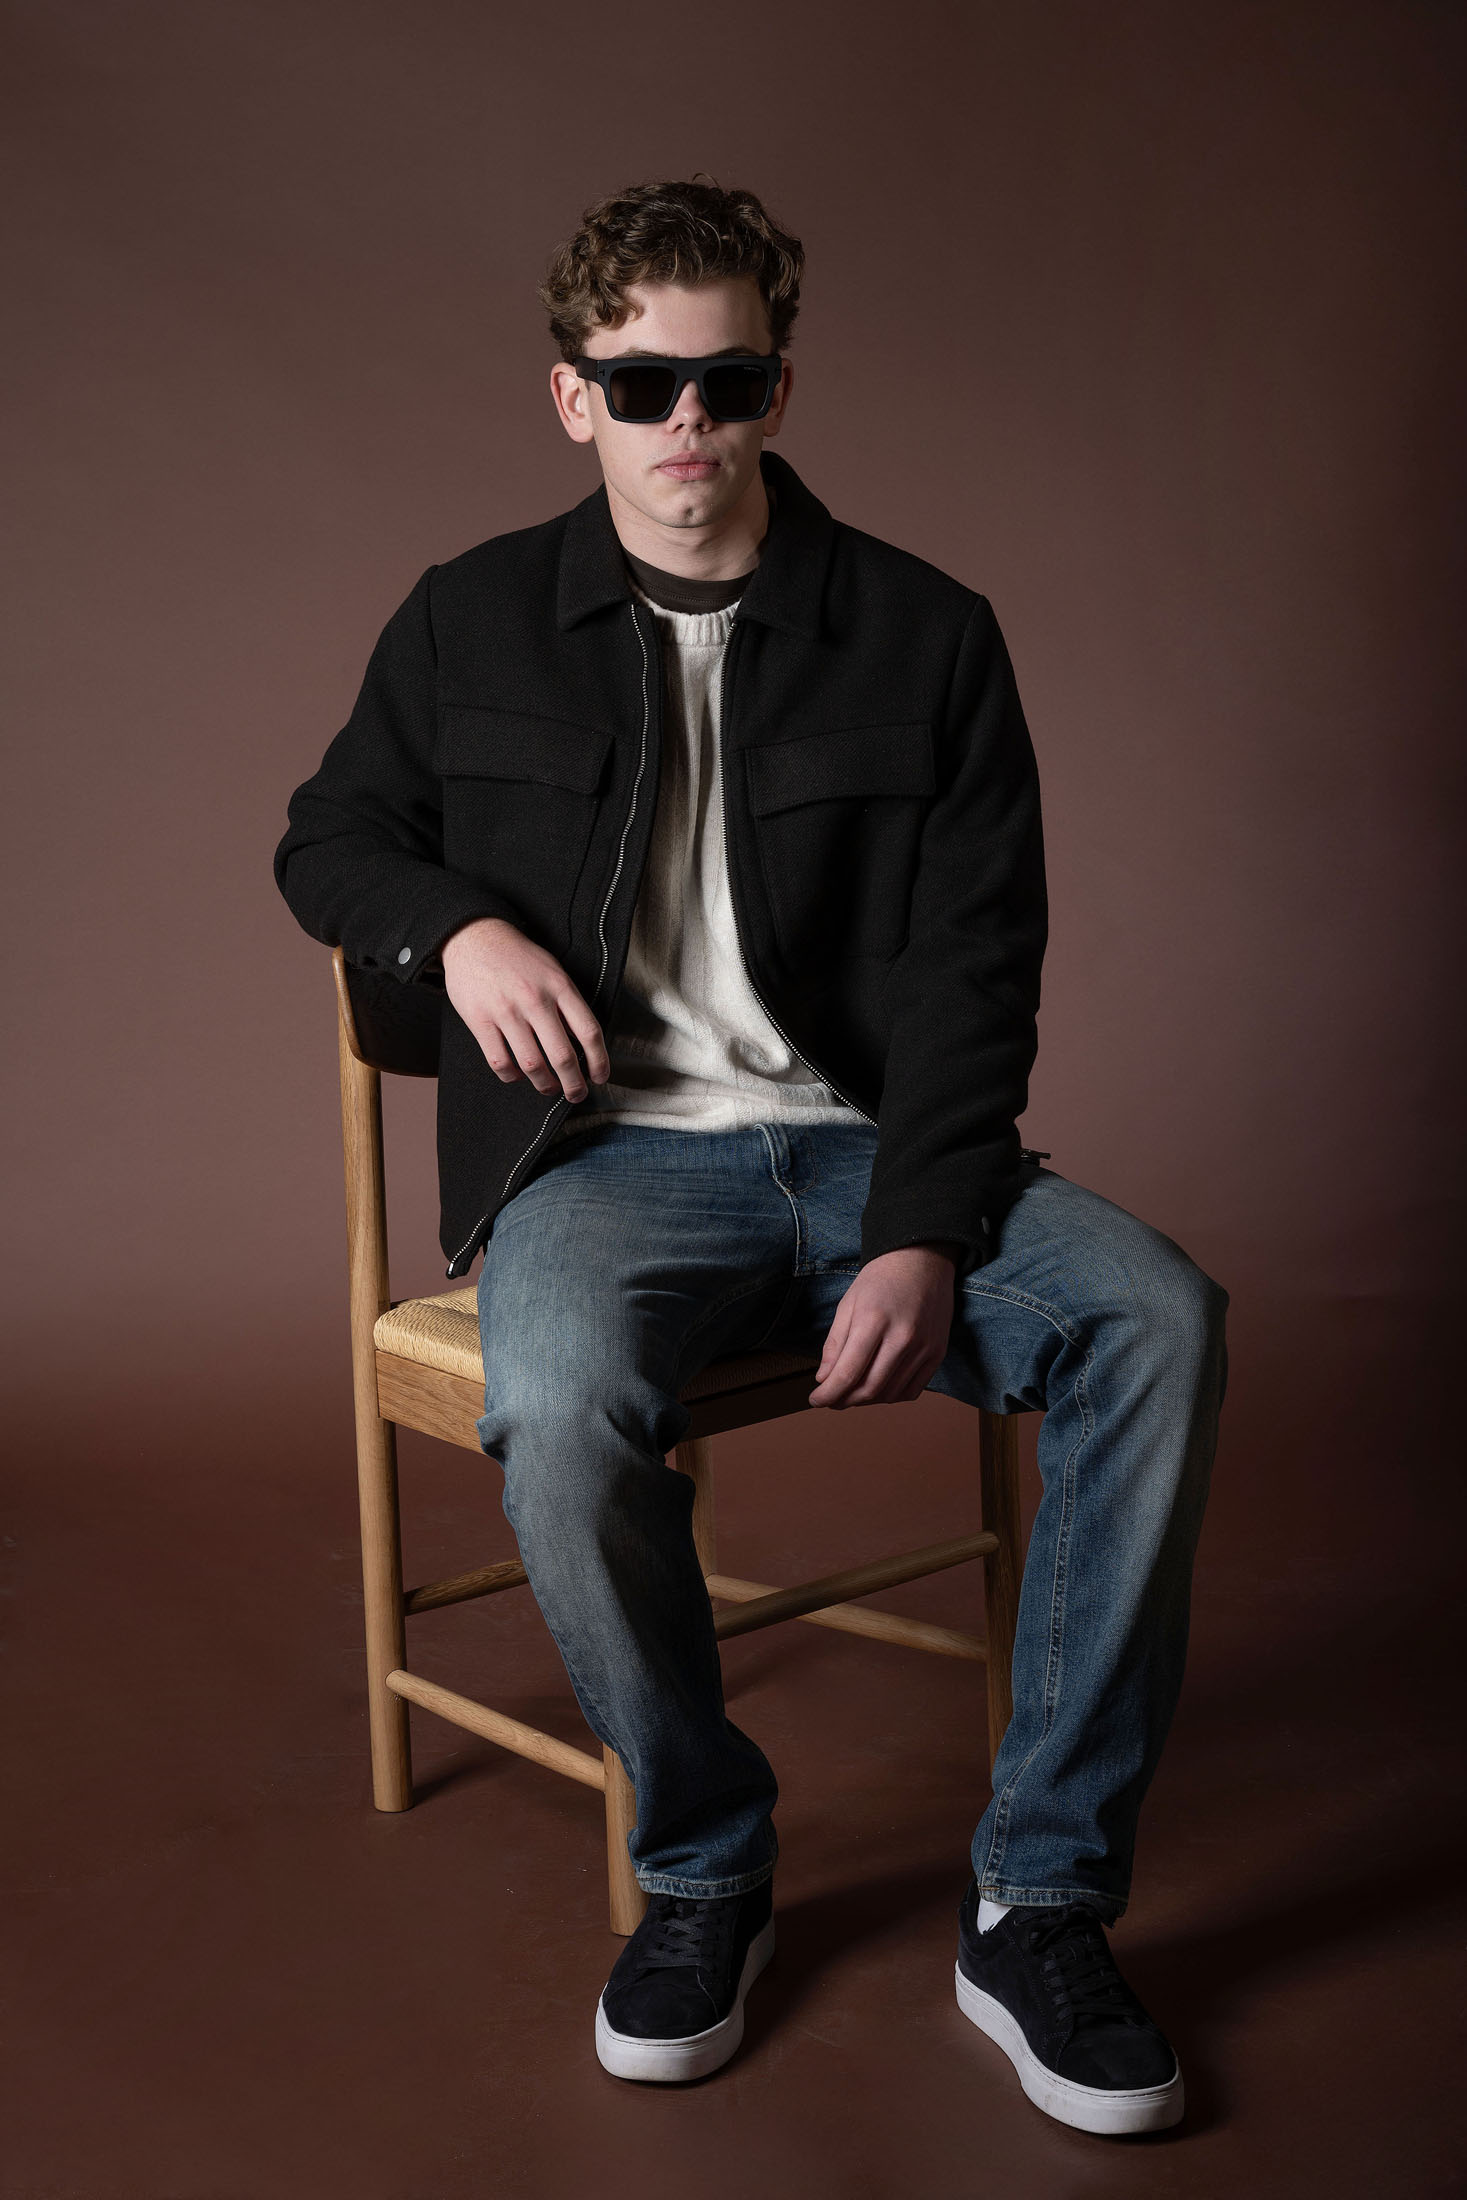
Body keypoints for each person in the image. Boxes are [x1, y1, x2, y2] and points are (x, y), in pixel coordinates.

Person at [274, 177, 1227, 2136]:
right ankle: (704, 1865)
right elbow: (326, 838)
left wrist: (926, 1226)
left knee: (1158, 1317)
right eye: (641, 385)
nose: (685, 421)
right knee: (555, 1400)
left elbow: (977, 969)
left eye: (728, 379)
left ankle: (1039, 1897)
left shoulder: (926, 633)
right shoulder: (466, 619)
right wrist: (458, 926)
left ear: (781, 387)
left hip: (875, 1148)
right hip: (608, 1168)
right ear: (574, 397)